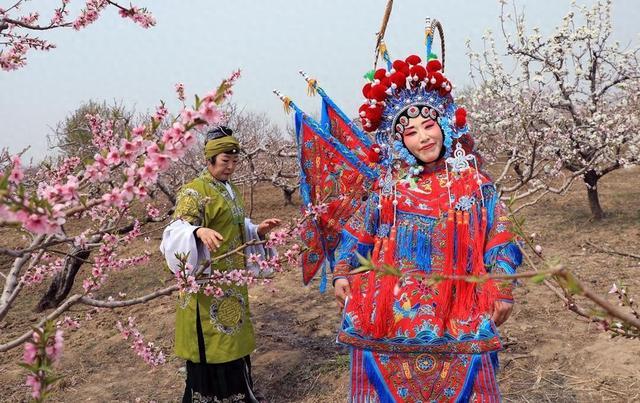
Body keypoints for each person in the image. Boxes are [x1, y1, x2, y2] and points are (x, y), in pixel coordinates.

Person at [327, 51, 523, 402]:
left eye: (428, 126)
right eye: (411, 132)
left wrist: (502, 285)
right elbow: (359, 232)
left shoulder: (476, 185)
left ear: (445, 125)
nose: (423, 138)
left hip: (462, 305)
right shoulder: (391, 187)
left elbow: (501, 235)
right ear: (400, 142)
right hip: (392, 311)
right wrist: (342, 271)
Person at [160, 125, 281, 403]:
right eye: (226, 161)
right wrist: (197, 232)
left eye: (235, 162)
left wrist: (256, 231)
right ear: (210, 159)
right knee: (213, 343)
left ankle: (239, 394)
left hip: (232, 284)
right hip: (206, 289)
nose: (230, 167)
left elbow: (236, 227)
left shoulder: (230, 190)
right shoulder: (194, 191)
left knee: (233, 341)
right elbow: (175, 230)